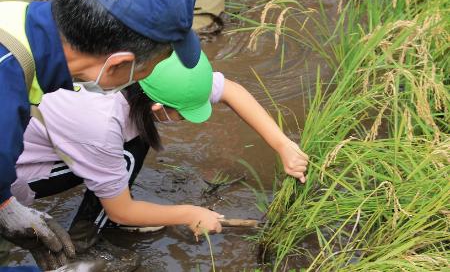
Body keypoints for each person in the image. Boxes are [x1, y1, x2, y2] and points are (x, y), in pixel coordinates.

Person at [11, 50, 309, 269]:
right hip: (18, 173)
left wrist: (282, 144)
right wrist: (189, 213)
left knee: (134, 142)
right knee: (126, 155)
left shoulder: (150, 66)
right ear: (157, 108)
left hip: (52, 133)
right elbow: (122, 211)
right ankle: (81, 246)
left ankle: (102, 218)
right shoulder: (101, 124)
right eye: (182, 113)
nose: (185, 120)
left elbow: (232, 90)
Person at [0, 0, 201, 269]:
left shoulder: (12, 6)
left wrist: (4, 203)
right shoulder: (6, 103)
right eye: (148, 70)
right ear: (119, 63)